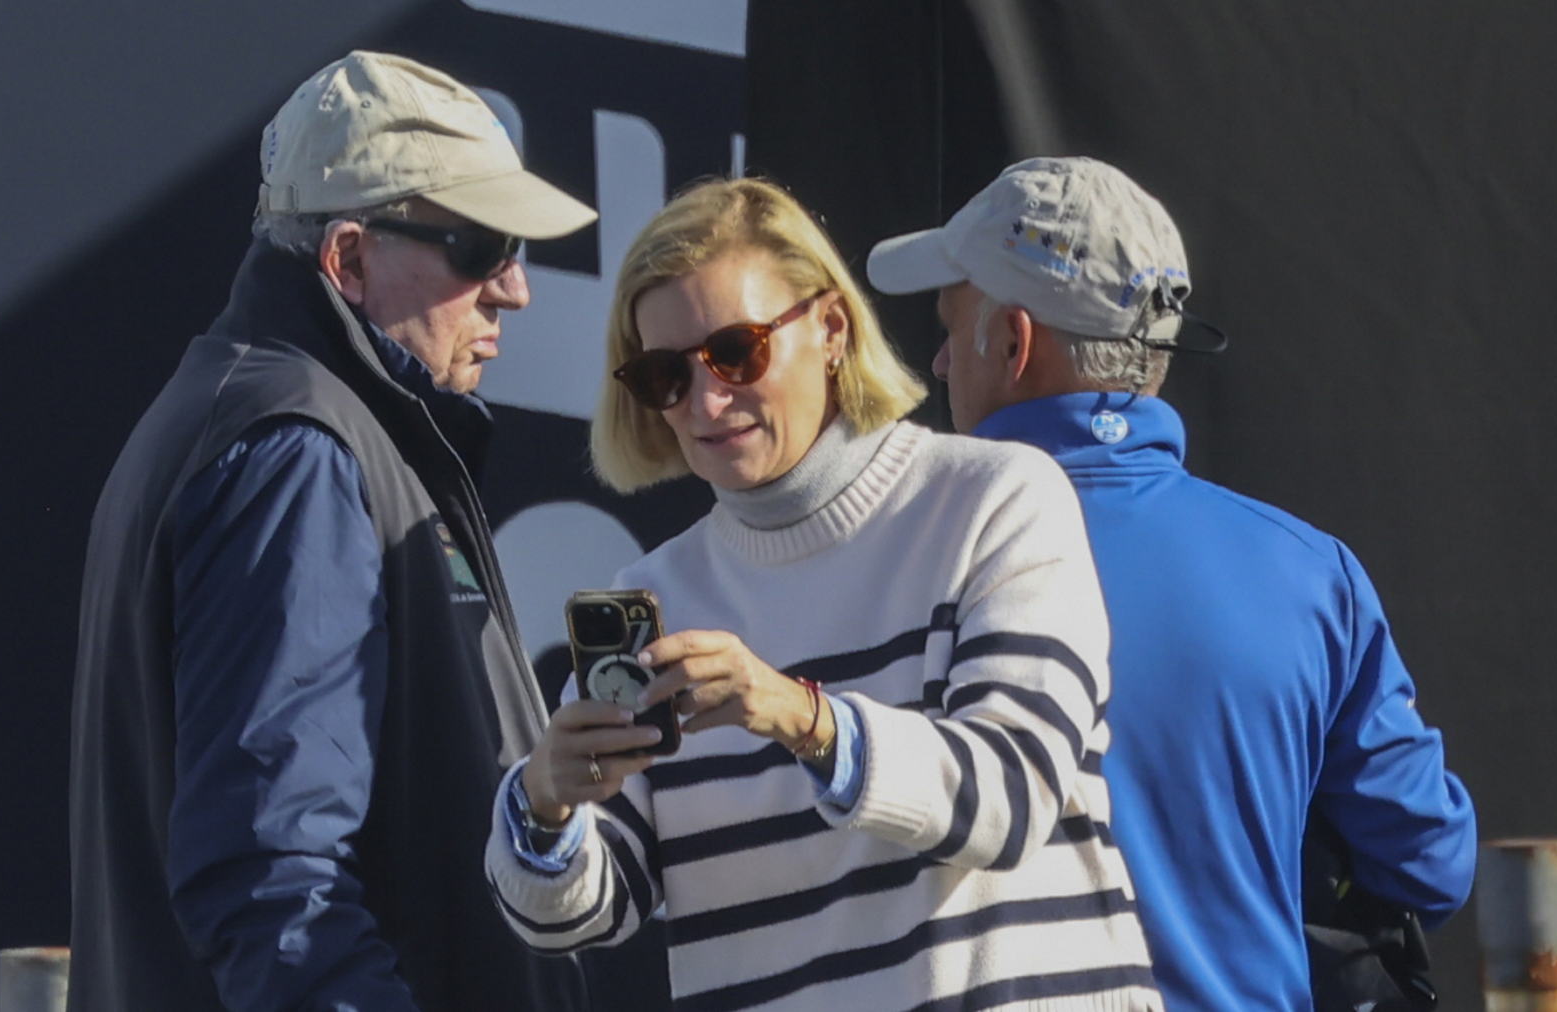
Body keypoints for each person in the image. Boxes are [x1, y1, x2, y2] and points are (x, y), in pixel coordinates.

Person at [484, 177, 1162, 1011]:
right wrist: (545, 803)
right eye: (665, 375)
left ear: (832, 328)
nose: (705, 401)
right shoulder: (655, 595)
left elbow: (1011, 796)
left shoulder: (997, 498)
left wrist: (801, 717)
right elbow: (583, 917)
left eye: (737, 351)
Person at [865, 156, 1477, 1010]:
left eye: (948, 322)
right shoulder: (1310, 574)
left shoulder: (893, 562)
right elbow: (1431, 862)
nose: (934, 360)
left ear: (1012, 341)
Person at [68, 51, 596, 1011]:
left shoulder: (264, 416)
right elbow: (273, 878)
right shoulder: (295, 448)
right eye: (480, 247)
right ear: (348, 258)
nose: (513, 290)